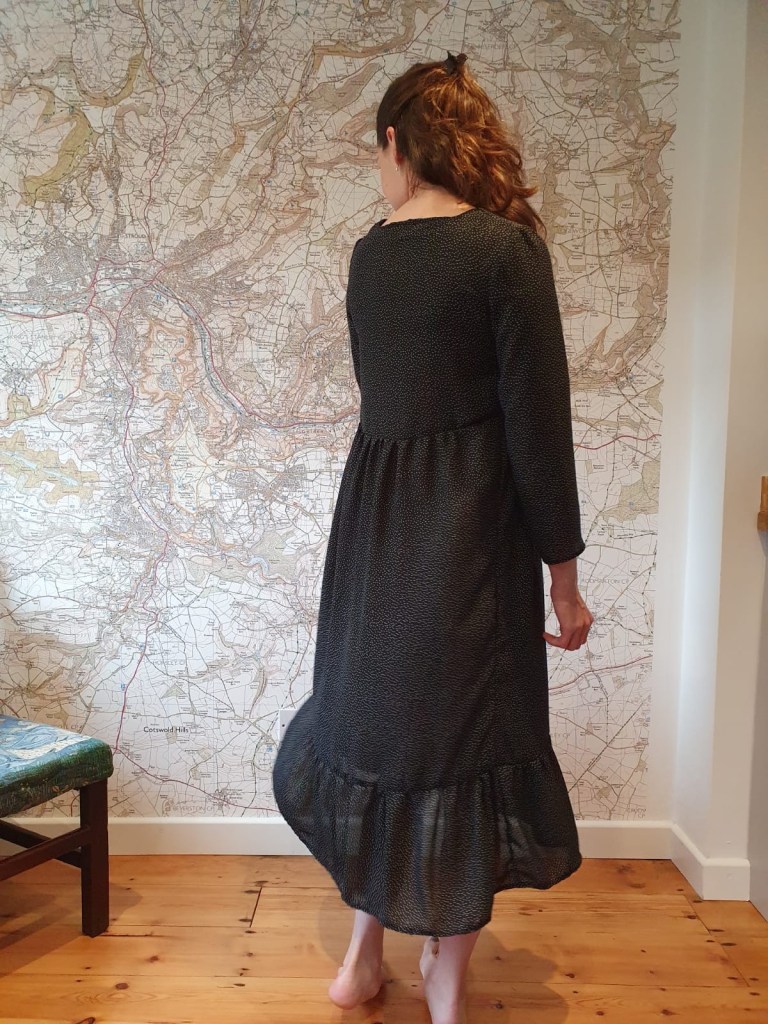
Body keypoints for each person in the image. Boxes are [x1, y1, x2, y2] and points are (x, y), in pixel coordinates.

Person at [272, 51, 594, 1024]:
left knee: (380, 729)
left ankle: (364, 957)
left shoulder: (370, 255)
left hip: (374, 532)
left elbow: (384, 395)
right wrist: (564, 579)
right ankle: (444, 977)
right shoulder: (506, 253)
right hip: (468, 535)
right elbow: (538, 431)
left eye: (377, 155)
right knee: (461, 741)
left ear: (396, 144)